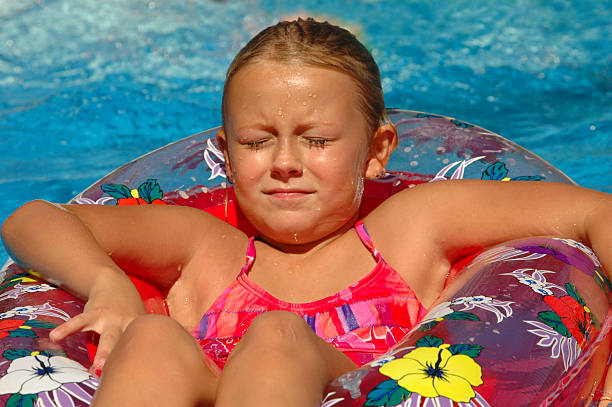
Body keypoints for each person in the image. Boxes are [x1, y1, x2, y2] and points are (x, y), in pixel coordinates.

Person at [1, 18, 611, 407]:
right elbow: (32, 218)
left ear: (376, 152)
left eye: (317, 141)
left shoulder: (410, 229)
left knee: (276, 339)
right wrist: (108, 285)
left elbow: (594, 213)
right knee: (154, 336)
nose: (284, 163)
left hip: (348, 389)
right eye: (257, 141)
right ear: (225, 149)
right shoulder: (205, 248)